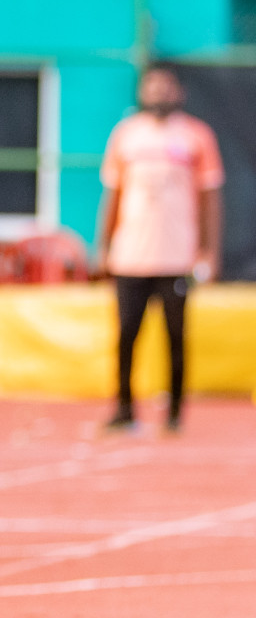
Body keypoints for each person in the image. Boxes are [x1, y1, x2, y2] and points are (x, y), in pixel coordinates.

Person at [96, 65, 223, 434]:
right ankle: (123, 408)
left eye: (166, 86)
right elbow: (113, 194)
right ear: (142, 91)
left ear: (179, 92)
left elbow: (210, 198)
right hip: (130, 255)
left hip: (176, 256)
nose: (159, 93)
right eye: (152, 86)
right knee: (126, 335)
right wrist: (103, 246)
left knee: (176, 337)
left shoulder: (197, 136)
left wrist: (209, 251)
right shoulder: (126, 135)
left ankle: (174, 414)